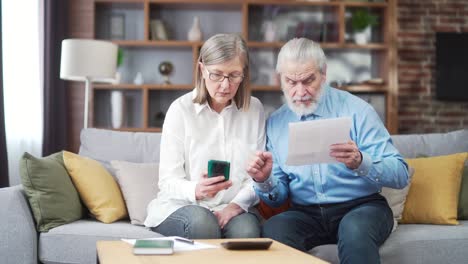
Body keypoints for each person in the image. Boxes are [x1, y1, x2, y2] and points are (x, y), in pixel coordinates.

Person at [246, 38, 409, 264]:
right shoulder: (276, 123)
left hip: (362, 207)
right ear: (279, 79)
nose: (300, 91)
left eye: (308, 80)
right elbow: (277, 198)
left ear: (323, 74)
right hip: (307, 213)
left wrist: (361, 161)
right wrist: (265, 180)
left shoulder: (358, 111)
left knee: (355, 231)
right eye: (291, 82)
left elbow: (401, 174)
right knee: (275, 229)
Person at [144, 33, 265, 239]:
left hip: (232, 206)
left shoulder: (254, 109)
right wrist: (196, 190)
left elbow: (257, 178)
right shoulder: (180, 110)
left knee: (247, 231)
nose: (225, 85)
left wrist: (236, 205)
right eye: (216, 74)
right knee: (203, 224)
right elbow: (168, 181)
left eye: (234, 75)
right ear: (202, 69)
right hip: (182, 206)